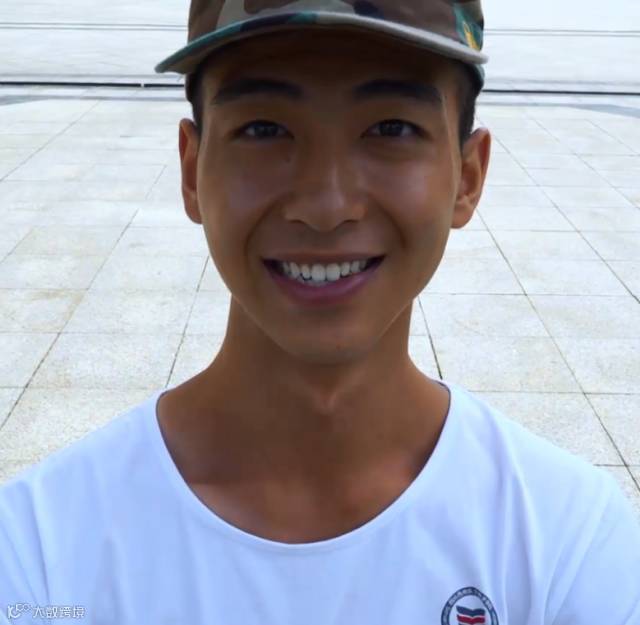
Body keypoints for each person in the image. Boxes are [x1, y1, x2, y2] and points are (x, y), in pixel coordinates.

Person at [1, 1, 639, 623]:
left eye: (391, 129)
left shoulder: (569, 546)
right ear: (192, 170)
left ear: (467, 176)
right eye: (263, 129)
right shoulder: (40, 555)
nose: (327, 205)